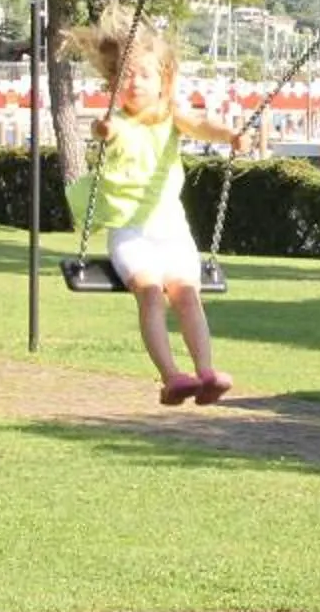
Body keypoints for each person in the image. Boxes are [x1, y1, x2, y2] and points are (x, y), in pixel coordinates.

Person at [89, 26, 244, 406]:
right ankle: (172, 377)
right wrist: (103, 129)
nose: (135, 83)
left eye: (144, 75)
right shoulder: (116, 122)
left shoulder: (171, 114)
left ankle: (206, 372)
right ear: (113, 83)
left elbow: (201, 125)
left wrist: (229, 135)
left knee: (188, 294)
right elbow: (102, 130)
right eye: (125, 75)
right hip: (131, 232)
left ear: (164, 81)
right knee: (150, 293)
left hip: (172, 230)